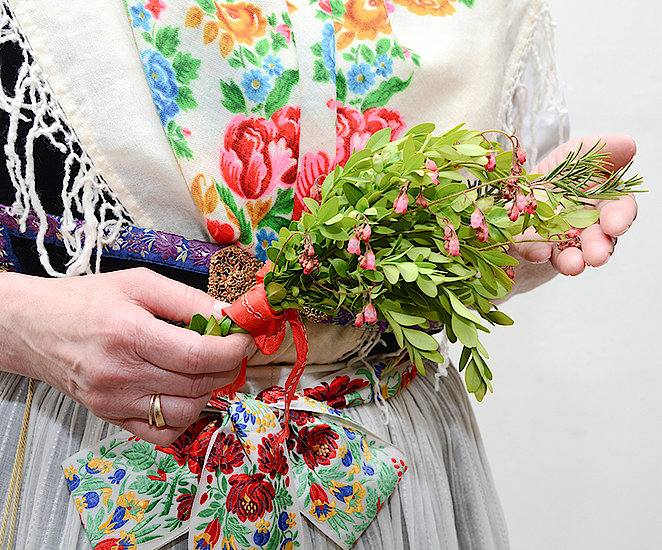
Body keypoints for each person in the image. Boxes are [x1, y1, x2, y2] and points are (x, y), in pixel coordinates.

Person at [0, 0, 638, 548]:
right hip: (100, 427)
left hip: (390, 457)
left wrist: (503, 230)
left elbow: (466, 246)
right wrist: (23, 322)